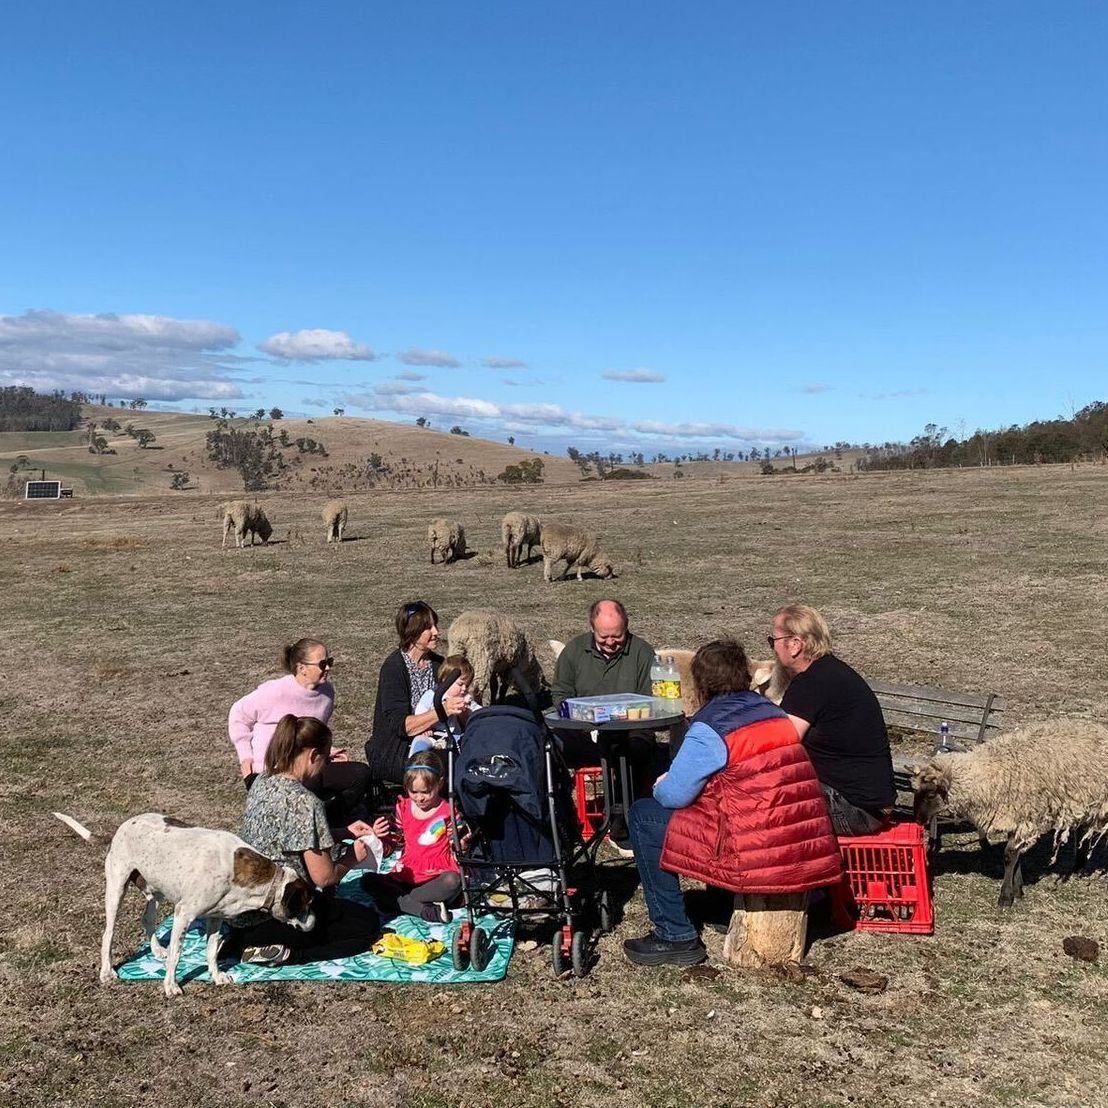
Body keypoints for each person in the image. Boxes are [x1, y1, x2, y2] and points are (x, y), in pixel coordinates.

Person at [623, 640, 843, 967]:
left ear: (700, 682)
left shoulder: (711, 728)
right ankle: (722, 903)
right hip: (801, 845)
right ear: (744, 675)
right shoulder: (772, 712)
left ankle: (674, 933)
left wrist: (662, 784)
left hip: (755, 850)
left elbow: (676, 795)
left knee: (644, 816)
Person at [222, 715, 381, 966]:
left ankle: (240, 940)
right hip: (281, 911)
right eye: (326, 759)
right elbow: (324, 877)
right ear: (313, 755)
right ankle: (287, 953)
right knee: (368, 926)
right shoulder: (306, 802)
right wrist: (353, 858)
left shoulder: (262, 782)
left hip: (241, 911)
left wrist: (343, 832)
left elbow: (287, 835)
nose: (326, 766)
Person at [771, 604, 896, 835]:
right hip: (873, 805)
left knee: (762, 801)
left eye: (774, 641)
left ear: (795, 644)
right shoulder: (831, 672)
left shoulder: (810, 683)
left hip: (854, 809)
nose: (774, 649)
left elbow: (781, 746)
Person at [551, 598, 660, 849]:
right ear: (592, 628)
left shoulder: (643, 652)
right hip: (584, 731)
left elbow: (650, 699)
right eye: (604, 638)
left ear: (627, 626)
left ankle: (622, 825)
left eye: (617, 637)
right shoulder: (575, 651)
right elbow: (560, 694)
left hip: (630, 731)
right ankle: (561, 820)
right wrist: (580, 717)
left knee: (632, 751)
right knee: (547, 746)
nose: (611, 643)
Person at [228, 638, 372, 827]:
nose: (328, 667)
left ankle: (324, 822)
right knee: (304, 794)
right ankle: (305, 825)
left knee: (360, 775)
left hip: (310, 764)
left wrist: (327, 751)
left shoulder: (327, 693)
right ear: (301, 668)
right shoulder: (274, 692)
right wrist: (246, 758)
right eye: (322, 664)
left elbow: (314, 732)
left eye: (329, 662)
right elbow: (238, 715)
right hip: (275, 770)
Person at [366, 601, 469, 787]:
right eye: (429, 627)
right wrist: (442, 710)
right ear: (412, 633)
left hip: (439, 740)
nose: (437, 632)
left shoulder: (438, 664)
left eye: (435, 625)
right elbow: (403, 726)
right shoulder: (394, 668)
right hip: (397, 750)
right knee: (451, 765)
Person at [359, 750, 463, 924]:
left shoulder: (448, 811)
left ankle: (399, 902)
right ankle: (424, 910)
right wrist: (377, 836)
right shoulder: (404, 807)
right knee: (367, 881)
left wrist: (462, 842)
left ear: (440, 784)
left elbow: (458, 844)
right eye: (414, 792)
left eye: (426, 792)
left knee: (453, 881)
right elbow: (392, 842)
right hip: (407, 874)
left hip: (436, 876)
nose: (420, 798)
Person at [409, 655, 482, 754]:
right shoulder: (432, 695)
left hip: (455, 736)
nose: (464, 689)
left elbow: (479, 713)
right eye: (460, 684)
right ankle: (414, 767)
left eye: (467, 685)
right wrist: (426, 729)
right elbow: (419, 714)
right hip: (432, 735)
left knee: (469, 747)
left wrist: (467, 712)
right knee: (419, 743)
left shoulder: (465, 699)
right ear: (446, 680)